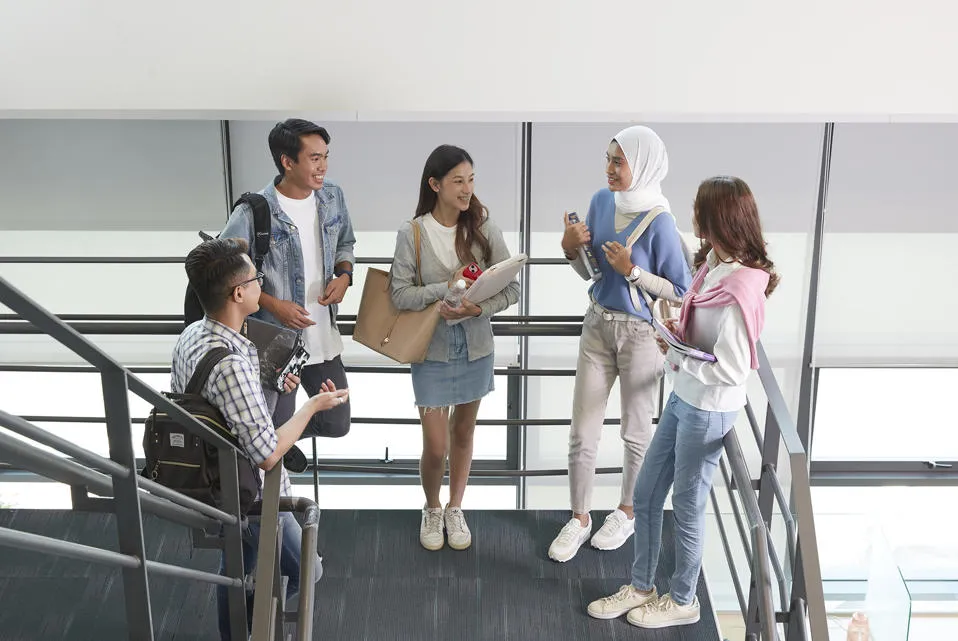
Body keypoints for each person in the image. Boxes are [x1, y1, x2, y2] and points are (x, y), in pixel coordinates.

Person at [587, 176, 779, 628]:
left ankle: (683, 599)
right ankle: (641, 586)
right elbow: (702, 333)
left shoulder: (739, 288)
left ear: (718, 220)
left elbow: (733, 370)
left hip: (708, 408)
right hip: (684, 395)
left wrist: (675, 353)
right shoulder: (714, 263)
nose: (693, 219)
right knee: (648, 493)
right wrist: (677, 335)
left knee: (689, 505)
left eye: (699, 212)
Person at [175, 237, 349, 640]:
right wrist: (311, 406)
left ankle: (243, 630)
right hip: (251, 492)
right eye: (256, 279)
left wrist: (280, 390)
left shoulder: (193, 336)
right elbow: (268, 453)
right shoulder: (232, 363)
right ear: (239, 293)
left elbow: (224, 412)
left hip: (218, 482)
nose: (262, 285)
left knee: (237, 568)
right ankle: (262, 626)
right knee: (309, 568)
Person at [549, 126, 692, 563]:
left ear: (642, 165)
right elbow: (591, 272)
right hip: (597, 325)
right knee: (582, 431)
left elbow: (681, 291)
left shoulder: (661, 222)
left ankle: (626, 512)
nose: (609, 169)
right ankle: (579, 518)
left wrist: (632, 272)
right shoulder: (600, 202)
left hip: (640, 334)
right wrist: (569, 248)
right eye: (608, 159)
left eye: (618, 161)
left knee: (635, 433)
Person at [390, 145, 519, 552]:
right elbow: (398, 294)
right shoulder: (412, 233)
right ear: (435, 184)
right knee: (436, 443)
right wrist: (444, 290)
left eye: (471, 180)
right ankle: (431, 507)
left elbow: (512, 285)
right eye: (458, 181)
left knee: (463, 433)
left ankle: (455, 507)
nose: (467, 189)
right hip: (431, 352)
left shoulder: (484, 227)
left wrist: (479, 306)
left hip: (476, 347)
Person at [220, 118, 356, 439]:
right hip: (278, 344)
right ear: (287, 161)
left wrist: (345, 275)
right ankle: (272, 457)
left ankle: (281, 443)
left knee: (336, 422)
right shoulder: (254, 211)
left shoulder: (332, 196)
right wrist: (273, 304)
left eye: (325, 156)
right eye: (314, 158)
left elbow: (346, 243)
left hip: (323, 338)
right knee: (272, 425)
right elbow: (225, 272)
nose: (323, 166)